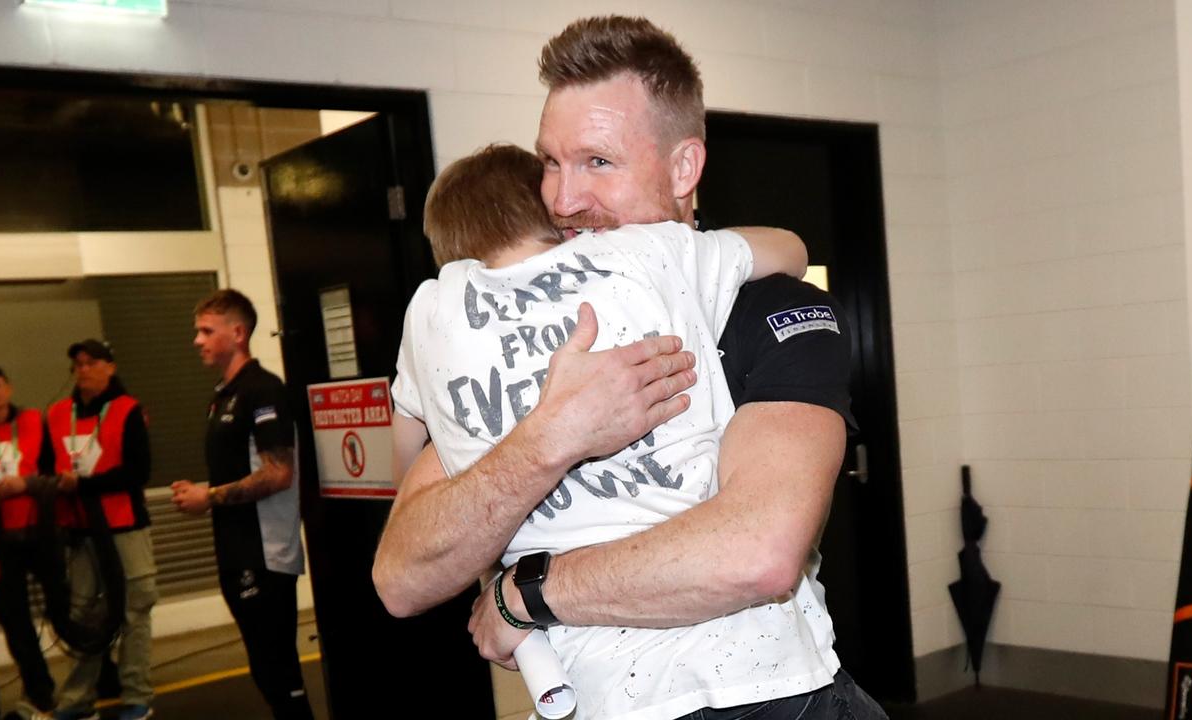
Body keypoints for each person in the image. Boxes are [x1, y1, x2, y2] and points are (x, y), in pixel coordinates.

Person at [374, 15, 884, 720]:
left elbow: (758, 553)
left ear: (683, 169)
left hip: (762, 698)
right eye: (551, 162)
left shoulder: (771, 308)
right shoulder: (529, 331)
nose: (562, 198)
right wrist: (552, 435)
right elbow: (402, 574)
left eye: (598, 163)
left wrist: (527, 593)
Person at [393, 143, 806, 694]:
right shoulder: (643, 252)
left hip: (581, 659)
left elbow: (405, 466)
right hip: (727, 628)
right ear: (554, 215)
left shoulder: (428, 311)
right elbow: (791, 251)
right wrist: (691, 247)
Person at [171, 289, 313, 720]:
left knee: (279, 670)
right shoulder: (221, 395)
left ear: (237, 332)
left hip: (265, 554)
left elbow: (278, 473)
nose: (198, 340)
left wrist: (207, 497)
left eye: (206, 331)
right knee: (264, 670)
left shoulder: (263, 390)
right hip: (234, 550)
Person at [42, 340, 155, 720]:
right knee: (83, 617)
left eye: (91, 363)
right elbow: (45, 470)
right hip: (80, 531)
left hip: (124, 527)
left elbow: (138, 473)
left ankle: (137, 696)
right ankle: (77, 701)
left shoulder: (128, 411)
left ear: (110, 366)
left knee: (135, 611)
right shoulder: (57, 414)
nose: (83, 370)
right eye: (77, 365)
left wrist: (84, 486)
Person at [0, 365, 55, 718]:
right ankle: (40, 691)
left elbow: (52, 469)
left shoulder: (32, 421)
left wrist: (27, 486)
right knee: (15, 622)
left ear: (9, 389)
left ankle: (98, 678)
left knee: (63, 609)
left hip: (39, 531)